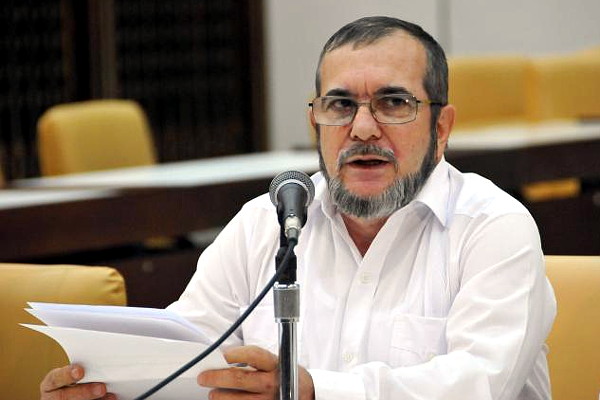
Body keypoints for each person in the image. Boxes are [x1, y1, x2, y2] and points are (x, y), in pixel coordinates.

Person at [40, 16, 556, 400]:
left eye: (393, 103)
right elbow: (185, 360)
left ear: (441, 128)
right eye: (340, 105)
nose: (362, 129)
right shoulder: (265, 223)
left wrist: (313, 392)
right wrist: (113, 387)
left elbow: (479, 384)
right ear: (316, 123)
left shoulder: (493, 228)